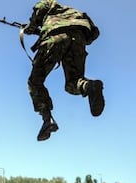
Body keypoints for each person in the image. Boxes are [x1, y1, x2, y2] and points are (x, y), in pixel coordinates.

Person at [23, 0, 104, 141]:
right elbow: (95, 33)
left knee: (35, 81)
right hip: (79, 39)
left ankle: (47, 120)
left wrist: (32, 26)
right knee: (73, 84)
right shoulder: (78, 13)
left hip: (56, 36)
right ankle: (89, 86)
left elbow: (39, 8)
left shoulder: (50, 2)